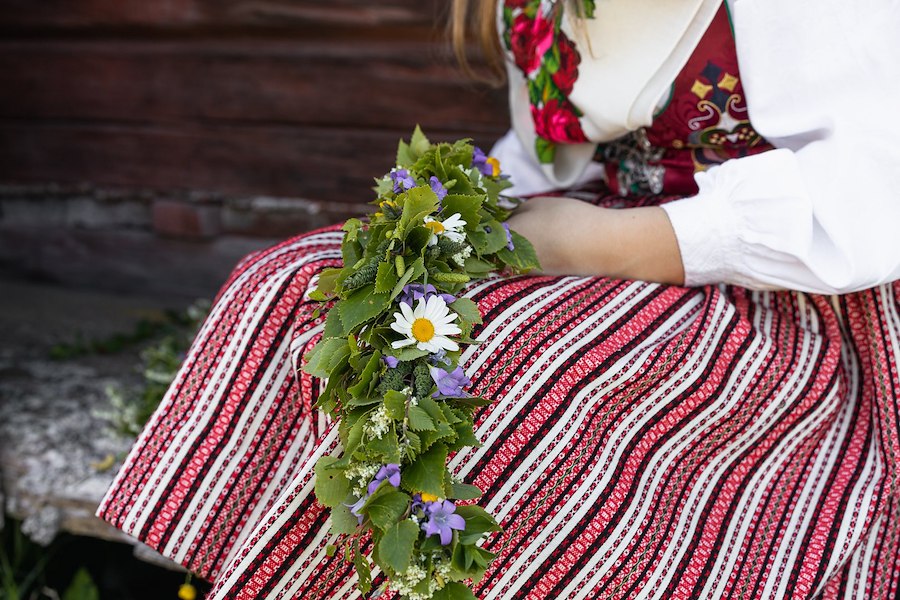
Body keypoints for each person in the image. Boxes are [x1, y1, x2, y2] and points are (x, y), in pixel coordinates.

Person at [97, 0, 900, 597]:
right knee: (302, 290)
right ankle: (305, 571)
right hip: (605, 223)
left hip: (793, 290)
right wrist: (457, 223)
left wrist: (590, 245)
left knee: (524, 375)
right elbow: (551, 153)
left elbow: (869, 195)